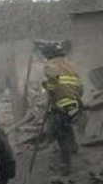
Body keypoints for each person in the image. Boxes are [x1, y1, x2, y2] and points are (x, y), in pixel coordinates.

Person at [36, 39, 84, 176]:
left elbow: (52, 83)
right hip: (75, 102)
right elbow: (80, 87)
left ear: (49, 54)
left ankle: (65, 166)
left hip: (60, 104)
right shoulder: (70, 64)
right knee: (66, 125)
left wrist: (47, 87)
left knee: (60, 134)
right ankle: (74, 147)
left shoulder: (50, 65)